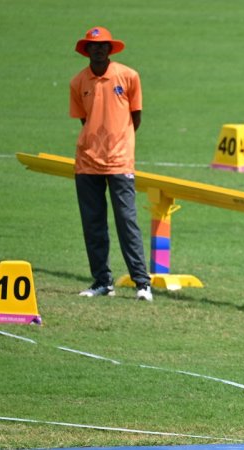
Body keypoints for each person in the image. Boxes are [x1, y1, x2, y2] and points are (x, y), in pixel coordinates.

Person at [69, 26, 153, 302]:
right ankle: (102, 282)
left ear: (110, 48)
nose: (99, 49)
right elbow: (86, 120)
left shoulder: (128, 76)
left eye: (103, 45)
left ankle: (142, 284)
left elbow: (135, 117)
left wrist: (120, 141)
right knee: (93, 224)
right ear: (87, 50)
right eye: (93, 45)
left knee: (127, 221)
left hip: (119, 161)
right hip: (87, 162)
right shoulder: (78, 82)